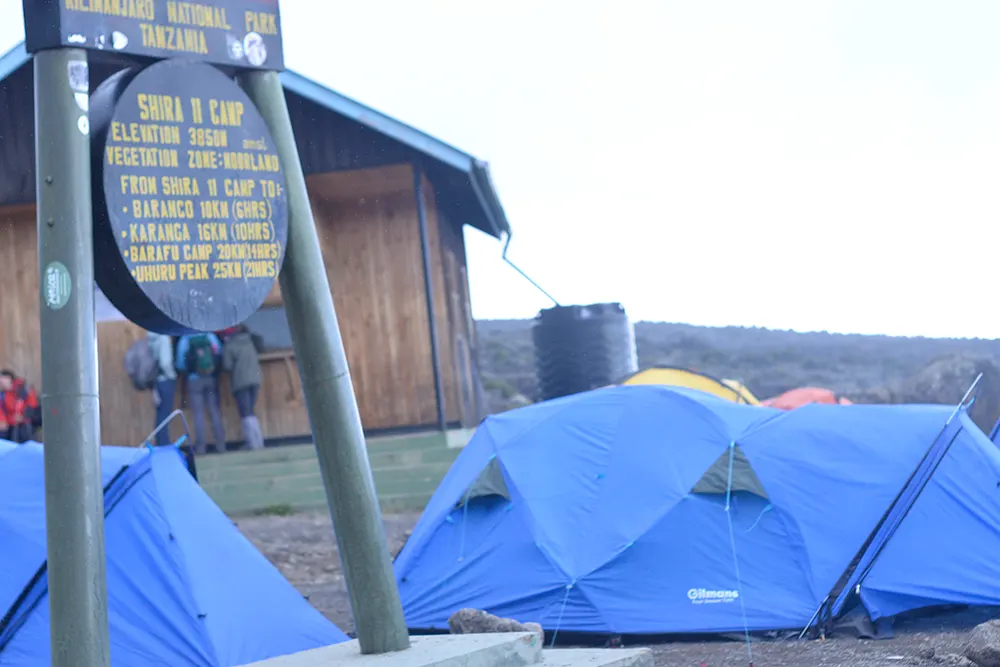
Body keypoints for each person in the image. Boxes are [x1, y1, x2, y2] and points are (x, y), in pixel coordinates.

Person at [175, 332, 226, 455]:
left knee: (198, 414)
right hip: (210, 377)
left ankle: (201, 448)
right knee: (214, 410)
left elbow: (180, 363)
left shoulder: (185, 339)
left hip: (194, 379)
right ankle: (221, 445)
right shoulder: (209, 336)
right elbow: (219, 352)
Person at [222, 324, 265, 450]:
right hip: (255, 379)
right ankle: (258, 441)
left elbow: (227, 366)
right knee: (251, 411)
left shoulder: (230, 345)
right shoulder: (251, 341)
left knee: (245, 413)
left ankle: (252, 443)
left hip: (240, 382)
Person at [147, 332, 177, 446]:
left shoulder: (151, 339)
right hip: (166, 380)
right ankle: (164, 442)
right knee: (165, 413)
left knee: (161, 413)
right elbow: (165, 363)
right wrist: (172, 375)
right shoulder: (163, 339)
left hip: (158, 381)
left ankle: (161, 441)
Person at [0, 369, 41, 443]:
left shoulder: (25, 390)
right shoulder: (3, 396)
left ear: (8, 378)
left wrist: (23, 417)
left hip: (25, 426)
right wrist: (3, 421)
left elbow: (33, 408)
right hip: (10, 427)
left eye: (1, 380)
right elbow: (2, 413)